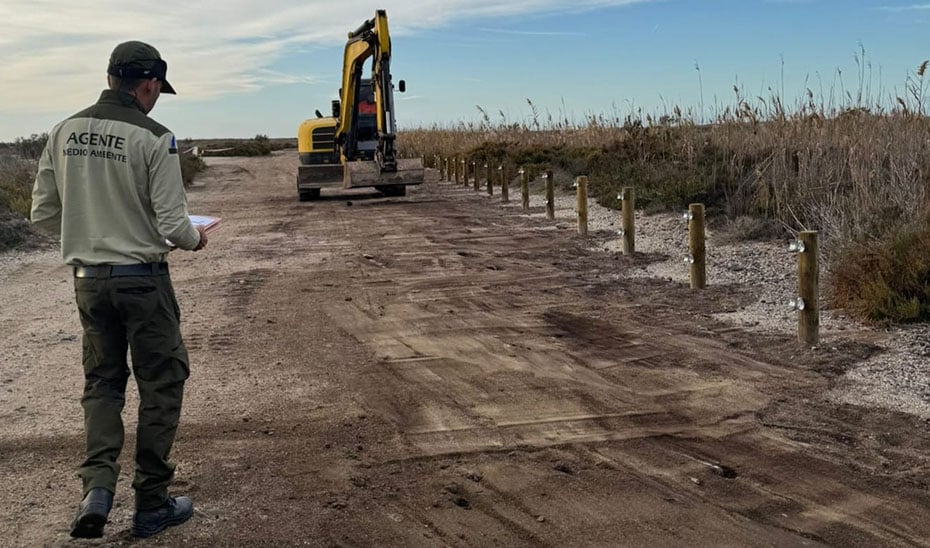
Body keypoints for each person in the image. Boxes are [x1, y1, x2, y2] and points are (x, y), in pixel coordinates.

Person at [30, 40, 207, 539]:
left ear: (111, 78)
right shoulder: (156, 137)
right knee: (161, 384)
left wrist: (89, 235)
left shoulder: (62, 131)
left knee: (103, 383)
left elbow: (43, 215)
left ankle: (98, 490)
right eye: (157, 91)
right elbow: (175, 224)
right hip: (142, 282)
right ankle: (151, 502)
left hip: (89, 282)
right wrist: (196, 240)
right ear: (148, 85)